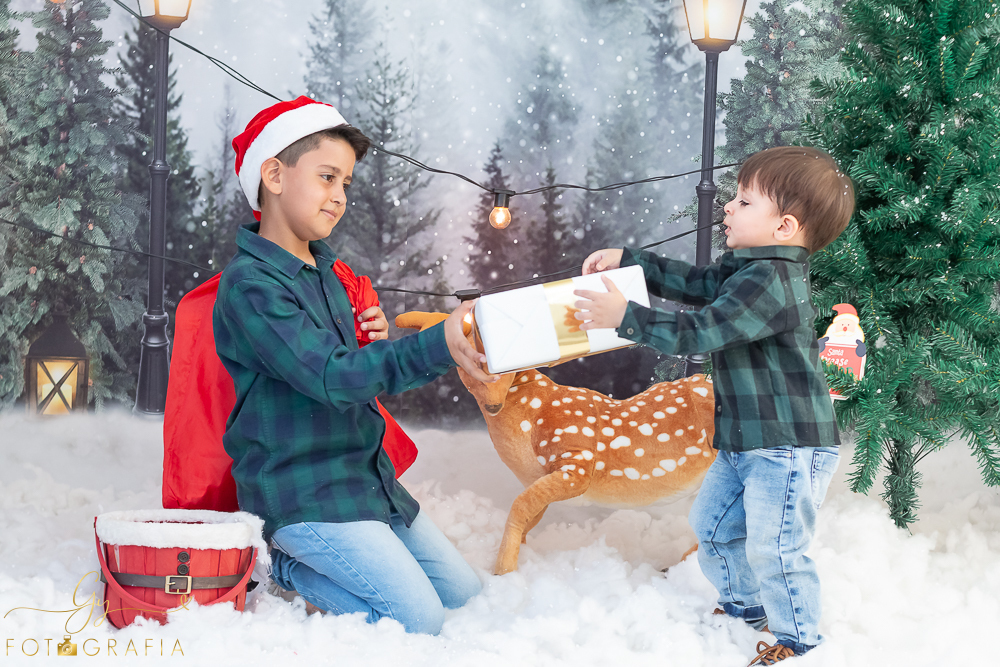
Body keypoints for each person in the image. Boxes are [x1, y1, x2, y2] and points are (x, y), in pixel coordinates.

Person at [214, 96, 496, 635]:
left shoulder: (330, 276)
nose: (339, 196)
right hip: (304, 492)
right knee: (417, 620)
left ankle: (356, 555)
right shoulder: (251, 286)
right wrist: (437, 343)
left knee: (464, 596)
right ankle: (285, 566)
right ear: (273, 175)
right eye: (326, 177)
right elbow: (331, 377)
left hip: (364, 483)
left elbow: (353, 371)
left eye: (345, 183)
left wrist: (378, 346)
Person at [573, 146, 855, 665]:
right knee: (715, 526)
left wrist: (625, 316)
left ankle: (800, 641)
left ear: (785, 226)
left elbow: (704, 331)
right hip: (746, 440)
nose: (728, 207)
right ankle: (743, 606)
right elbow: (696, 284)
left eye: (744, 202)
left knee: (776, 547)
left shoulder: (772, 281)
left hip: (788, 446)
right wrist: (633, 262)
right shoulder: (746, 269)